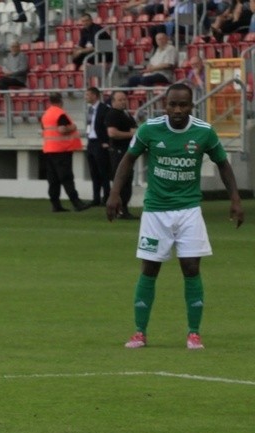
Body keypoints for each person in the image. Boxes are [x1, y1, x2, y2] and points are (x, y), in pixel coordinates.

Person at [106, 83, 244, 350]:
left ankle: (194, 333)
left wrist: (235, 199)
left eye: (183, 105)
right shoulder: (149, 129)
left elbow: (223, 164)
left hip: (189, 210)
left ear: (192, 106)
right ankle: (140, 333)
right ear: (164, 104)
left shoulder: (203, 132)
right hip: (156, 211)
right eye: (172, 104)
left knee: (191, 268)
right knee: (149, 268)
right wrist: (114, 193)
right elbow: (128, 160)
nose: (177, 109)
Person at [41, 92, 89, 213]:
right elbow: (62, 130)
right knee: (66, 177)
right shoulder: (60, 113)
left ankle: (55, 204)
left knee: (53, 180)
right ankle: (76, 202)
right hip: (61, 150)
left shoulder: (46, 114)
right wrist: (73, 127)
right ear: (61, 101)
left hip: (49, 149)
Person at [104, 90, 138, 220]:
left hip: (127, 150)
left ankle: (123, 209)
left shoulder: (125, 114)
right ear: (113, 102)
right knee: (121, 180)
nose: (123, 102)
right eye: (120, 100)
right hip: (119, 151)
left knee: (127, 180)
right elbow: (112, 133)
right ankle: (120, 209)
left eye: (124, 99)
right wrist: (131, 134)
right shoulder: (112, 114)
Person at [85, 86, 111, 208]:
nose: (86, 97)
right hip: (91, 143)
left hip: (100, 143)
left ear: (95, 96)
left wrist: (106, 141)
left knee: (103, 172)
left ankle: (106, 197)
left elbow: (107, 126)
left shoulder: (104, 109)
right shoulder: (90, 109)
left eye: (88, 95)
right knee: (93, 172)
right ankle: (96, 198)